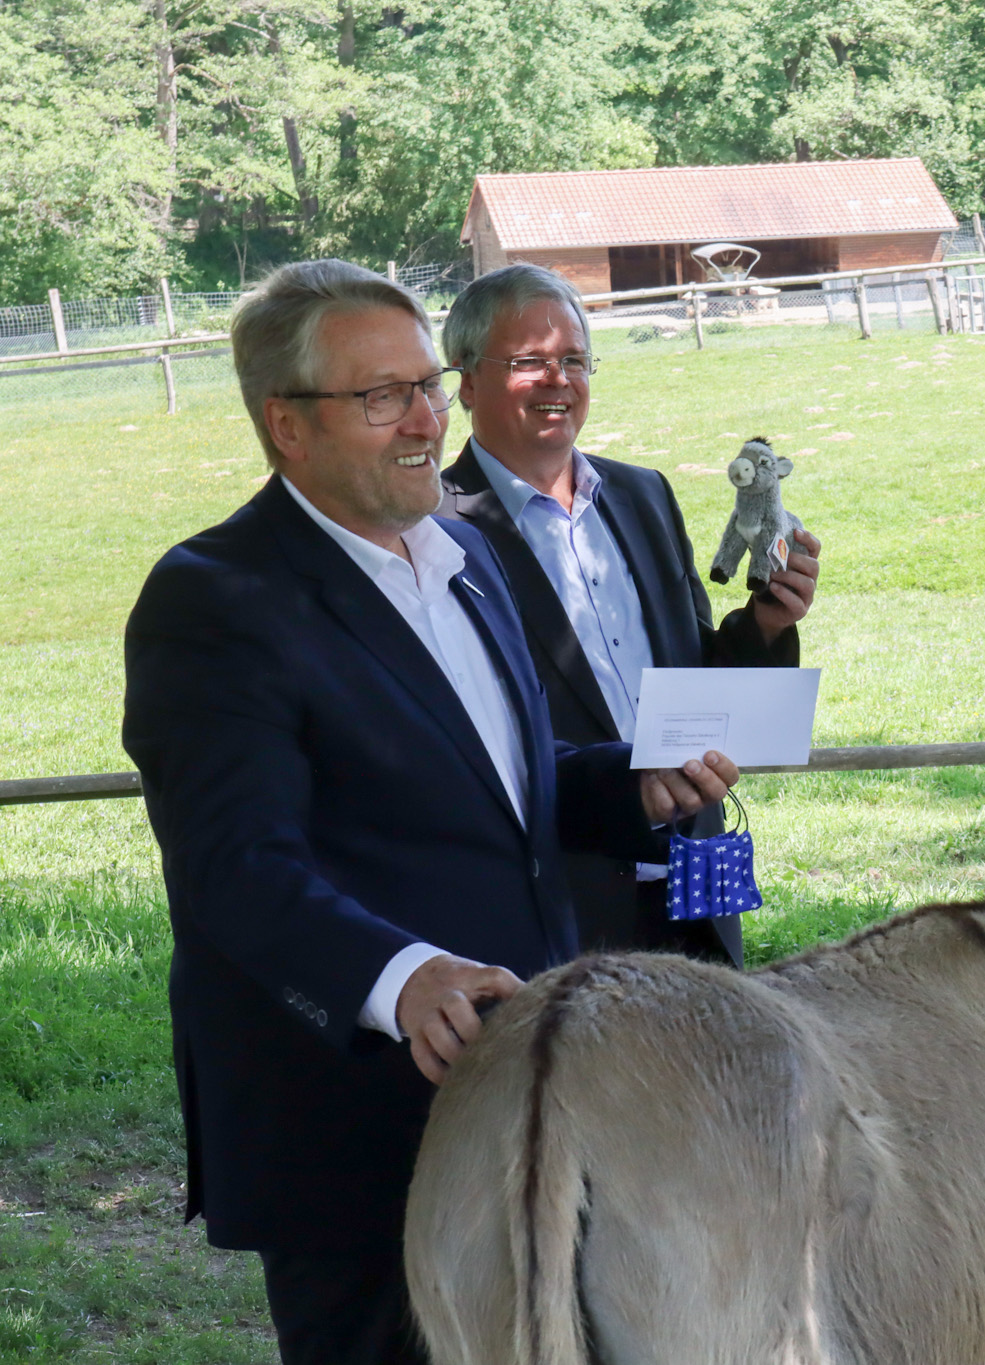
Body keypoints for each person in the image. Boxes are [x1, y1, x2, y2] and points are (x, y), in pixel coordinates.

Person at [122, 259, 737, 1365]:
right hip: (357, 1125)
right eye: (382, 396)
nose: (424, 420)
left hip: (535, 1094)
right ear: (287, 426)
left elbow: (505, 776)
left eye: (427, 388)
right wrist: (401, 979)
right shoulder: (215, 598)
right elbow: (235, 865)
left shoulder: (462, 552)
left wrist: (621, 783)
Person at [437, 263, 820, 964]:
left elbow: (693, 674)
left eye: (575, 360)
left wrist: (765, 621)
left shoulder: (643, 496)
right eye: (530, 362)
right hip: (561, 907)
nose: (559, 380)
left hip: (693, 887)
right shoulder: (432, 530)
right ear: (464, 379)